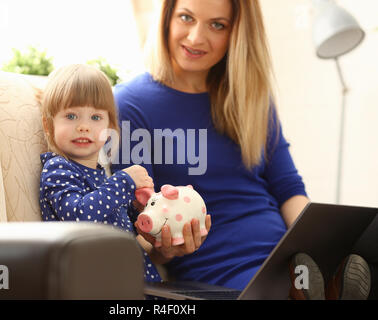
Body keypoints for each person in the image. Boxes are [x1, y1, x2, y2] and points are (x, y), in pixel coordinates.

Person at [111, 0, 316, 292]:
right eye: (186, 17)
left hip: (290, 260)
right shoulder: (130, 105)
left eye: (217, 25)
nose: (196, 37)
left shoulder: (251, 98)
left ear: (237, 34)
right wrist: (165, 248)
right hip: (221, 277)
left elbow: (289, 190)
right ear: (167, 18)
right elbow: (138, 228)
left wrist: (321, 248)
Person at [38, 64, 161, 283]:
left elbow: (114, 220)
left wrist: (138, 210)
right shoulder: (58, 168)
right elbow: (79, 215)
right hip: (90, 284)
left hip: (130, 283)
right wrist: (124, 182)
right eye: (71, 116)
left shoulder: (101, 176)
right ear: (49, 126)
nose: (84, 126)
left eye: (95, 118)